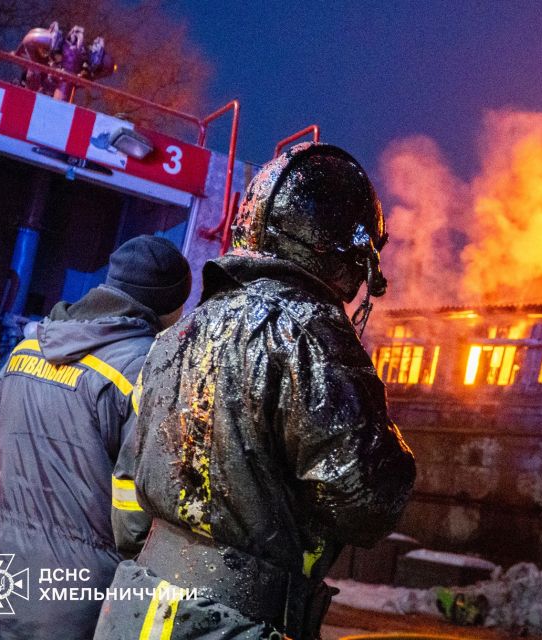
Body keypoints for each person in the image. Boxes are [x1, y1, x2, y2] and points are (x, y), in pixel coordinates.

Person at [93, 142, 416, 640]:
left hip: (136, 608)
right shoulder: (312, 335)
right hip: (235, 623)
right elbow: (367, 504)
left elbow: (130, 489)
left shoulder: (184, 329)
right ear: (344, 252)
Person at [0, 235, 191, 640]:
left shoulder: (27, 349)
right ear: (168, 305)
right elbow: (137, 511)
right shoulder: (146, 369)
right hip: (81, 602)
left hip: (5, 585)